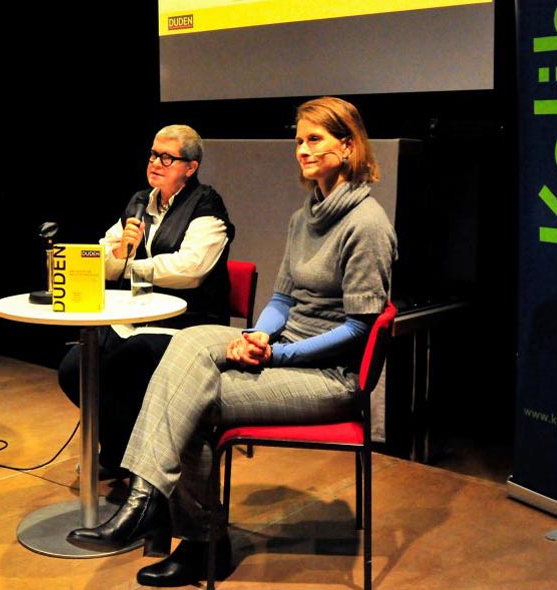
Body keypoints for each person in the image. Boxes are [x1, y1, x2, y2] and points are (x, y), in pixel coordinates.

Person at [65, 97, 397, 586]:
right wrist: (258, 333)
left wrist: (277, 352)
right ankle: (149, 501)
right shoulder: (303, 216)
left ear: (348, 146)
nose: (303, 150)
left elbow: (359, 330)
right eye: (299, 141)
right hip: (286, 346)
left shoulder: (367, 224)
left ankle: (195, 539)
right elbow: (282, 298)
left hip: (329, 375)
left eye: (315, 139)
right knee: (189, 345)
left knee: (191, 400)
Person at [57, 124, 234, 480]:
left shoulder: (206, 205)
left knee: (125, 366)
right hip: (137, 318)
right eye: (154, 154)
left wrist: (131, 266)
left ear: (190, 167)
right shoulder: (140, 203)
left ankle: (142, 459)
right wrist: (121, 252)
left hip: (187, 323)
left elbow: (191, 269)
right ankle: (121, 449)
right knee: (75, 368)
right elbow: (103, 260)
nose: (155, 163)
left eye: (167, 158)